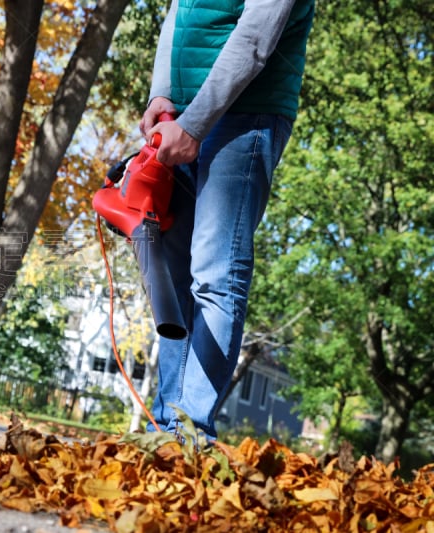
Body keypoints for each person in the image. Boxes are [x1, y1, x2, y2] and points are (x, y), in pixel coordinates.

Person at [138, 0, 315, 440]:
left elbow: (256, 35)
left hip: (245, 114)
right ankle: (166, 428)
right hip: (180, 115)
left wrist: (194, 125)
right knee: (172, 277)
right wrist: (162, 93)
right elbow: (179, 12)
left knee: (215, 274)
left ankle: (190, 430)